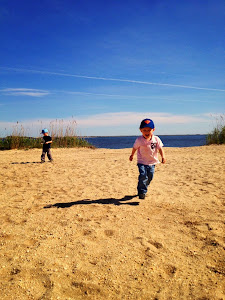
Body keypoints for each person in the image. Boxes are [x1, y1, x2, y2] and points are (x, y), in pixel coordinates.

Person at [129, 118, 166, 199]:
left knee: (150, 176)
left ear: (153, 130)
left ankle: (143, 186)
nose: (146, 132)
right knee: (143, 175)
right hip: (141, 161)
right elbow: (135, 148)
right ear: (140, 130)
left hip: (152, 162)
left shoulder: (156, 139)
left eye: (149, 130)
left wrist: (163, 157)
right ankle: (142, 192)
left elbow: (160, 148)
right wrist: (132, 155)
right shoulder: (139, 140)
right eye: (144, 130)